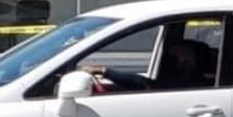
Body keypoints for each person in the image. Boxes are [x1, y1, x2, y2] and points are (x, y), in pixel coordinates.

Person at [80, 40, 212, 92]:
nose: (176, 61)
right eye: (174, 57)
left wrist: (104, 71)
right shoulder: (178, 79)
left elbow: (145, 84)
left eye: (182, 55)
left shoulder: (196, 85)